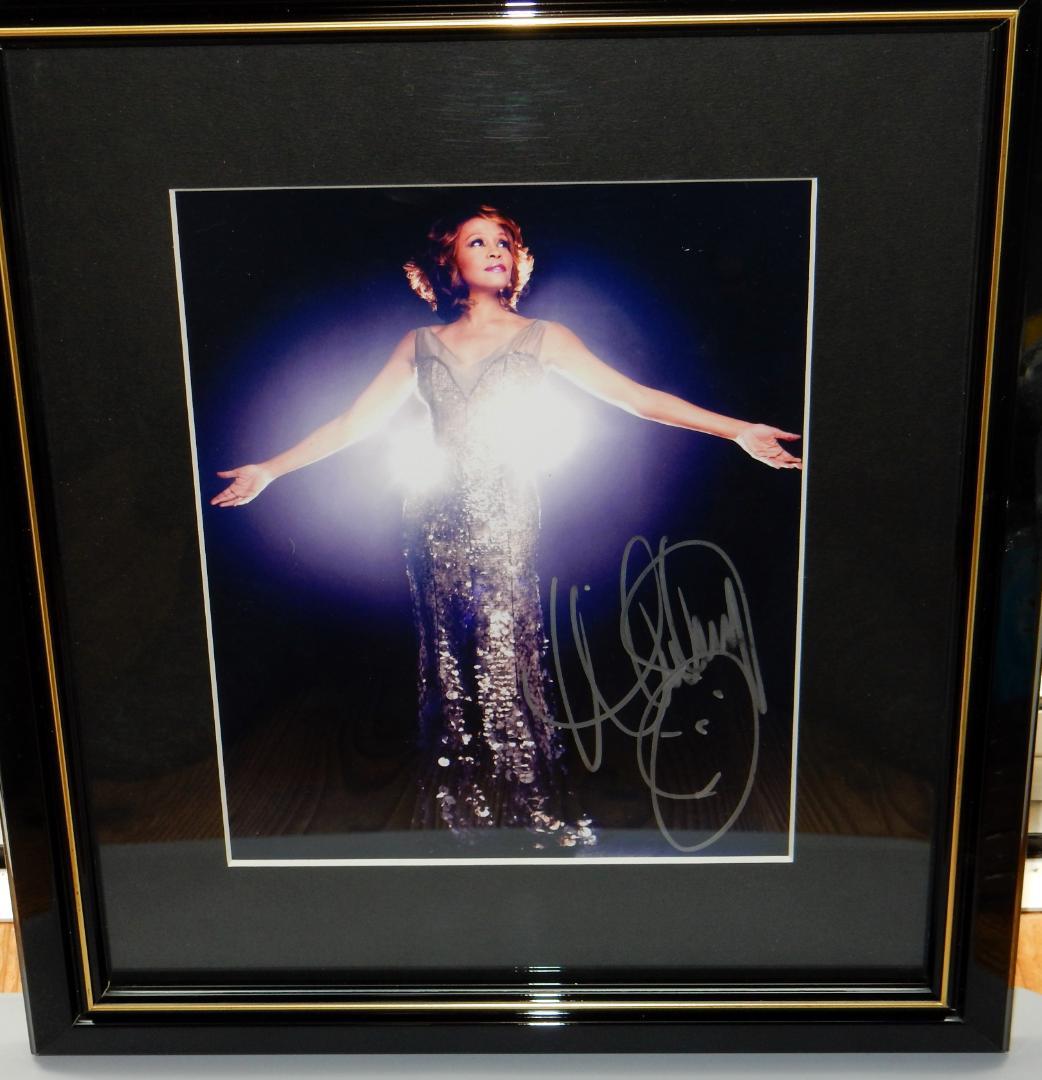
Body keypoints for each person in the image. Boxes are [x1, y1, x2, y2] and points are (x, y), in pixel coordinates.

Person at [211, 204, 801, 849]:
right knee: (447, 660)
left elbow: (638, 398)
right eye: (477, 242)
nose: (496, 251)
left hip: (505, 511)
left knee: (502, 655)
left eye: (504, 242)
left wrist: (738, 431)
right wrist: (269, 469)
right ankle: (461, 818)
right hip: (431, 515)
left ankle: (529, 811)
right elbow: (353, 423)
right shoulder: (418, 344)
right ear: (448, 262)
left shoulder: (544, 336)